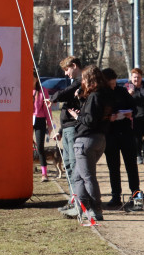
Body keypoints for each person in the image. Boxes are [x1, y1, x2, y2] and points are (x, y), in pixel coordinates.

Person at [62, 65, 113, 223]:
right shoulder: (106, 95)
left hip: (86, 141)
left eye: (84, 79)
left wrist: (77, 117)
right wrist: (83, 106)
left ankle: (95, 210)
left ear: (90, 80)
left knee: (87, 177)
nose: (82, 82)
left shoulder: (95, 96)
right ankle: (80, 207)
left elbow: (90, 120)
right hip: (100, 139)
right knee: (78, 177)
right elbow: (96, 115)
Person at [101, 68, 139, 209]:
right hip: (110, 134)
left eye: (115, 82)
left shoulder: (122, 91)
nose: (114, 85)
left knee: (131, 164)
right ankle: (116, 196)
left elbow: (134, 107)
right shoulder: (101, 94)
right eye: (111, 83)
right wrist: (108, 117)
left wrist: (130, 113)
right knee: (113, 166)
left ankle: (135, 194)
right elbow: (98, 114)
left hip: (126, 132)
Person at [45, 56, 84, 187]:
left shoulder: (81, 81)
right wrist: (61, 130)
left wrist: (53, 98)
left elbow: (67, 92)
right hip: (67, 128)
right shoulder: (75, 82)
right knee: (67, 163)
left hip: (73, 128)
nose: (66, 74)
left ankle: (79, 199)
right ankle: (74, 197)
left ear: (74, 66)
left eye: (67, 70)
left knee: (73, 164)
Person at [32, 77, 53, 182]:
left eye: (32, 78)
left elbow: (47, 108)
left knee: (40, 147)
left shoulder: (43, 90)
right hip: (26, 121)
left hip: (39, 120)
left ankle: (44, 174)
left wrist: (49, 125)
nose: (30, 80)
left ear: (36, 79)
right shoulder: (22, 88)